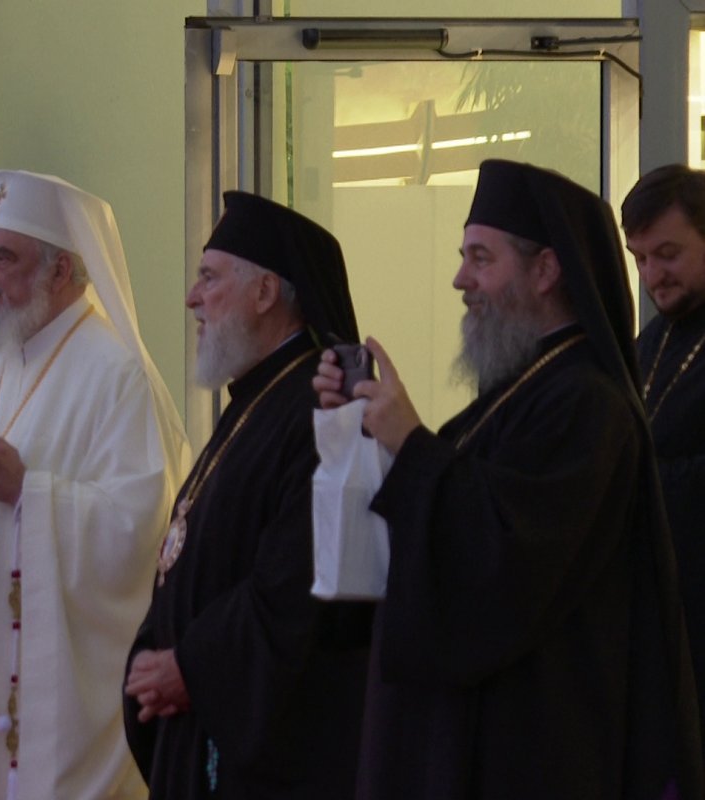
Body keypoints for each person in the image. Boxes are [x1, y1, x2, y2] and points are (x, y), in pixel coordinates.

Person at [313, 159, 703, 799]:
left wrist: (410, 444)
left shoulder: (585, 403)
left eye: (481, 259)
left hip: (536, 746)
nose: (460, 280)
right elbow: (452, 511)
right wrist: (368, 432)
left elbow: (506, 557)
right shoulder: (526, 390)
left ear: (545, 270)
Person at [0, 170, 190, 799]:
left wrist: (32, 491)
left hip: (42, 700)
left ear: (62, 270)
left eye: (5, 257)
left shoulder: (117, 375)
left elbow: (142, 530)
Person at [123, 192, 371, 798]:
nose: (192, 298)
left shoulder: (322, 410)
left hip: (266, 759)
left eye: (209, 278)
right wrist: (153, 656)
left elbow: (300, 581)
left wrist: (191, 667)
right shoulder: (255, 401)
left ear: (264, 293)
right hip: (196, 729)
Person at [623, 164, 705, 749]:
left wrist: (630, 481)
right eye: (641, 259)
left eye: (668, 254)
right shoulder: (649, 343)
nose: (653, 275)